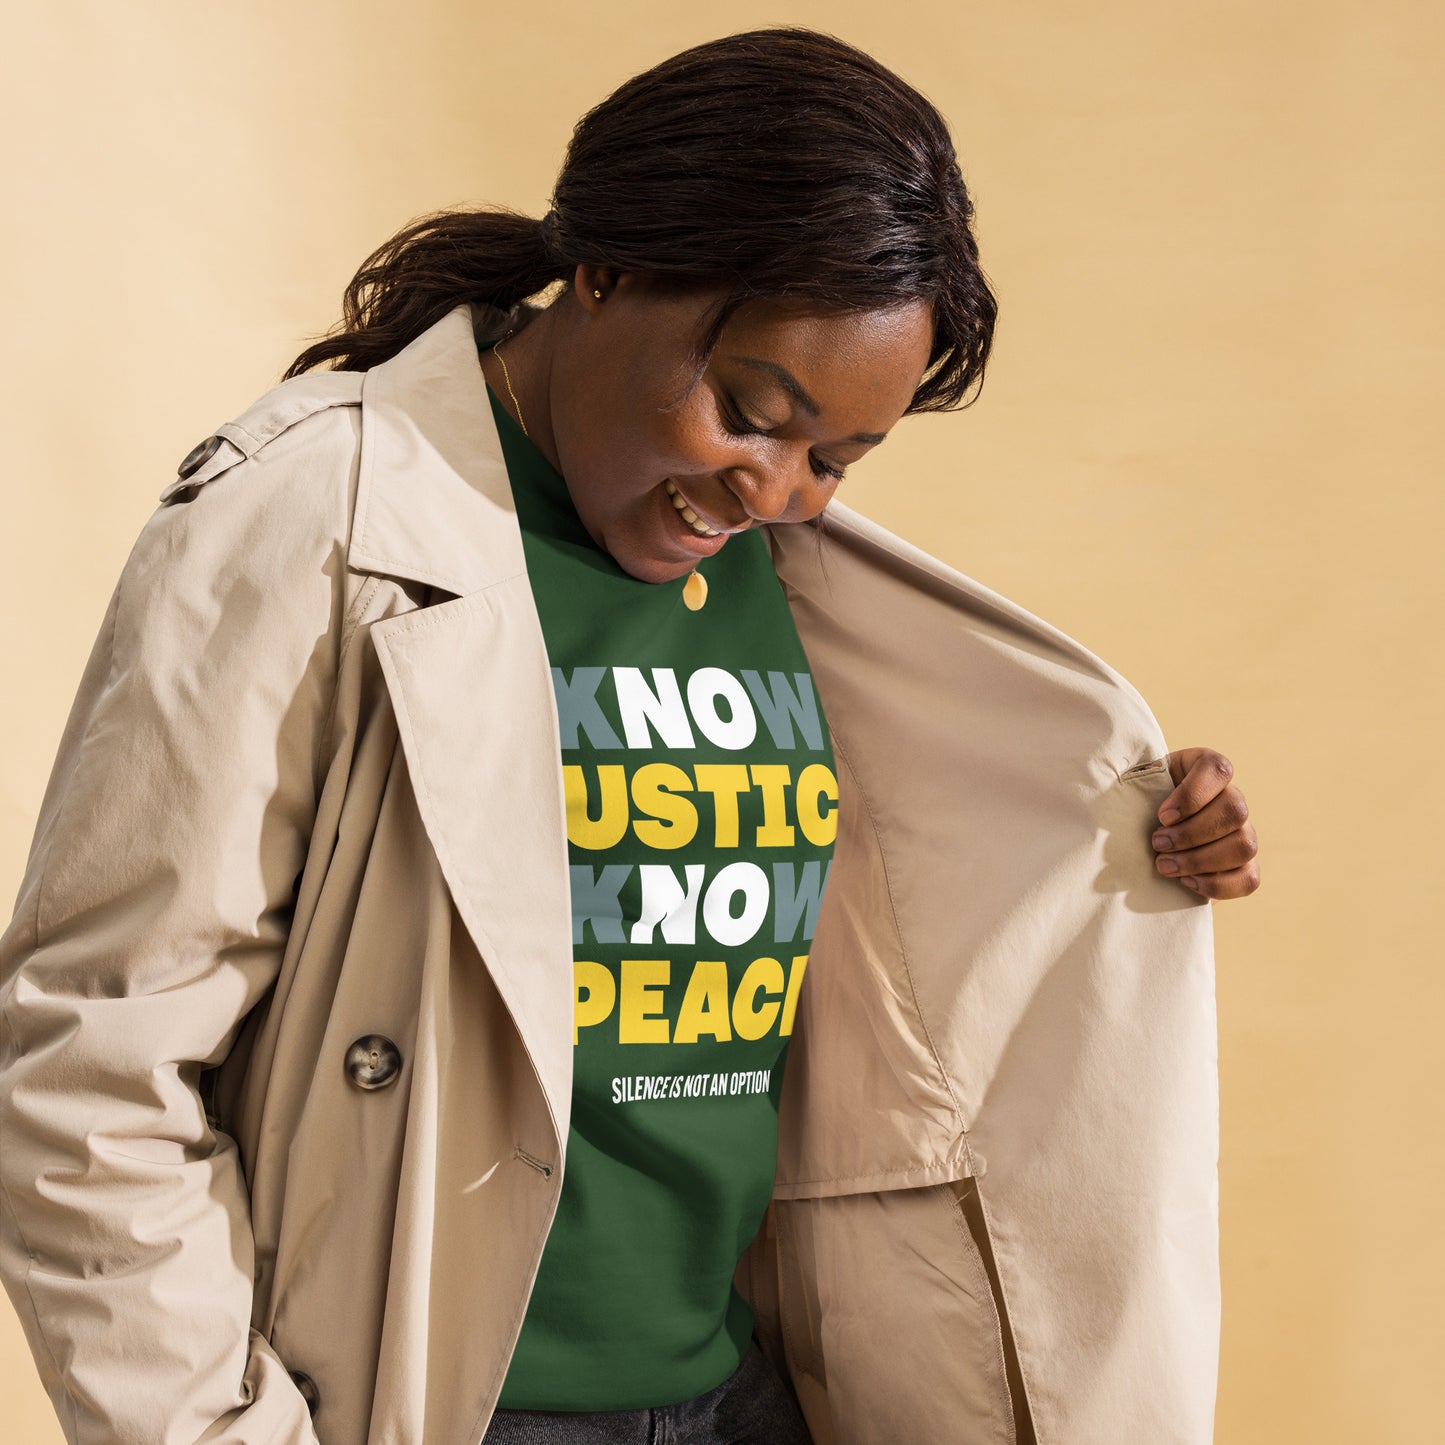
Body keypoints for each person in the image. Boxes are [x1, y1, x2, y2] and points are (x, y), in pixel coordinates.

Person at [0, 26, 1258, 1445]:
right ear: (605, 271)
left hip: (741, 1393)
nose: (775, 486)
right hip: (445, 1405)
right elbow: (87, 1067)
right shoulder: (311, 522)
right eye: (753, 409)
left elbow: (897, 930)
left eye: (836, 458)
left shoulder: (781, 575)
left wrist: (1117, 822)